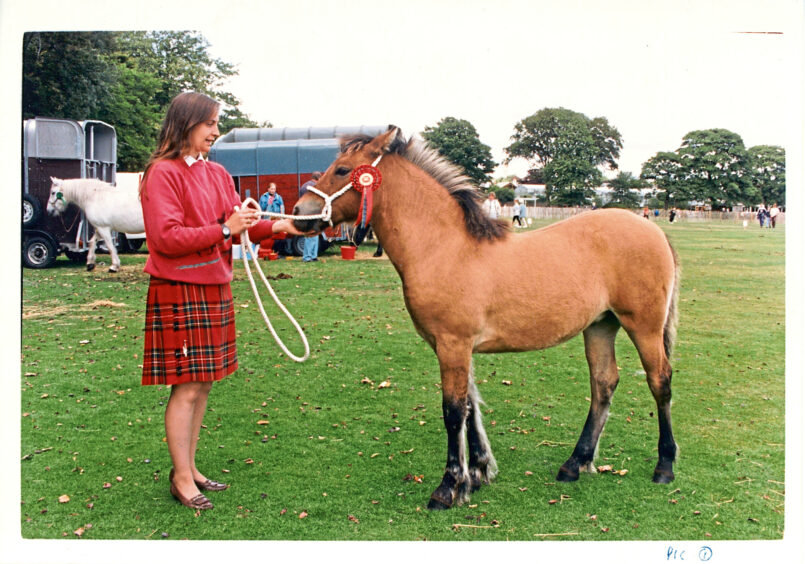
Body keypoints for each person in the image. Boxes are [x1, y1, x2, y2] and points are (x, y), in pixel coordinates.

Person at [139, 92, 310, 511]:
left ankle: (190, 466)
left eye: (217, 123)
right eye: (210, 124)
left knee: (204, 382)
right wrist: (222, 229)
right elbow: (165, 238)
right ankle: (181, 477)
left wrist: (285, 226)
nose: (216, 131)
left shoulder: (217, 173)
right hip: (179, 287)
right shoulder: (161, 173)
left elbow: (242, 226)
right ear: (186, 124)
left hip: (215, 285)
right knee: (187, 385)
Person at [299, 172, 322, 262]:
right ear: (318, 178)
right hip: (312, 212)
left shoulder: (304, 185)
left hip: (305, 212)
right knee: (312, 234)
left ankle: (312, 256)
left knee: (313, 234)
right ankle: (308, 256)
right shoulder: (315, 187)